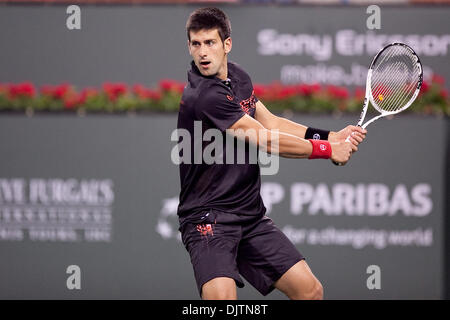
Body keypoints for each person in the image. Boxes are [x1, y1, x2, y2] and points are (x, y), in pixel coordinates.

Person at [176, 7, 366, 300]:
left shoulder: (238, 77)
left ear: (227, 44)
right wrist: (328, 150)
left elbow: (272, 122)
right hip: (208, 219)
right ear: (189, 46)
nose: (203, 52)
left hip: (249, 214)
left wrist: (329, 135)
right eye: (196, 44)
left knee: (310, 291)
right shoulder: (204, 96)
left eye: (210, 43)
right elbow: (264, 139)